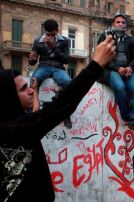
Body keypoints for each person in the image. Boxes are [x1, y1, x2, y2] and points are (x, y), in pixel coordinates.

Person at [0, 35, 115, 202]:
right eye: (24, 89)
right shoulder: (13, 129)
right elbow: (61, 105)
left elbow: (39, 114)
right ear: (8, 96)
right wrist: (96, 64)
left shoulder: (18, 123)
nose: (31, 91)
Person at [97, 13, 134, 134]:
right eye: (118, 22)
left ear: (126, 25)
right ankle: (127, 117)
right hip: (111, 70)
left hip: (127, 70)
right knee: (120, 87)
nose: (121, 24)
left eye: (123, 22)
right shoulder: (105, 37)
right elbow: (101, 56)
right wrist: (117, 68)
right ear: (113, 24)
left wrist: (130, 67)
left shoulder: (129, 39)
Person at [28, 19, 72, 128]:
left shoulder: (65, 41)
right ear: (45, 31)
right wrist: (31, 59)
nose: (50, 37)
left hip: (58, 67)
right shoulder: (38, 41)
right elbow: (33, 62)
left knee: (68, 82)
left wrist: (53, 47)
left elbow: (66, 60)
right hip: (43, 66)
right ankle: (31, 112)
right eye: (48, 34)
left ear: (57, 30)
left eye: (52, 34)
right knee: (34, 80)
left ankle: (66, 114)